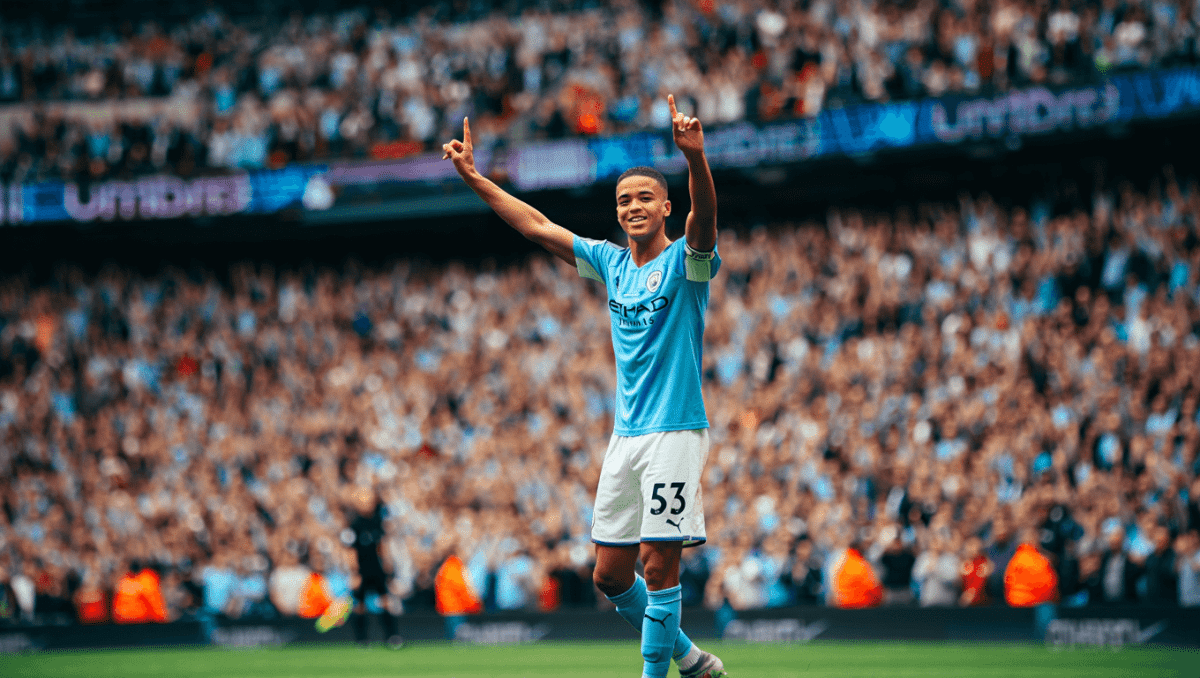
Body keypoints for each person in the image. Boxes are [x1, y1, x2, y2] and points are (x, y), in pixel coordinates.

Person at [444, 93, 726, 678]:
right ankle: (692, 660)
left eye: (645, 197)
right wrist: (475, 179)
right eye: (624, 200)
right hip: (626, 437)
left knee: (657, 565)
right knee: (609, 576)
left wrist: (695, 158)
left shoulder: (687, 264)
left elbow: (705, 223)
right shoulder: (610, 263)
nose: (633, 207)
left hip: (675, 431)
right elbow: (537, 225)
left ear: (666, 206)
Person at [347, 487, 400, 645]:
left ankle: (391, 636)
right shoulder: (354, 524)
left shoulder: (378, 521)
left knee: (385, 602)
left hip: (377, 568)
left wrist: (387, 563)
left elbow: (382, 545)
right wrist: (354, 572)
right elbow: (350, 551)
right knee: (359, 606)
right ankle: (362, 638)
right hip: (362, 570)